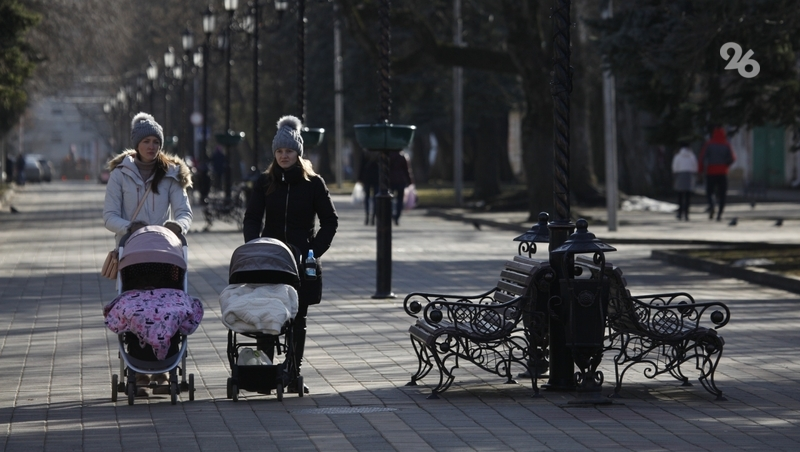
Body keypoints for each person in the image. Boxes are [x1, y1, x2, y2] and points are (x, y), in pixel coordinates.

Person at [242, 115, 338, 394]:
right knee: (267, 315)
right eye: (280, 151)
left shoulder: (313, 183)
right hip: (269, 258)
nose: (284, 156)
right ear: (274, 154)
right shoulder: (264, 182)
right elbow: (251, 218)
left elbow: (330, 221)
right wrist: (254, 246)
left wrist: (312, 251)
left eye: (289, 151)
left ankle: (293, 370)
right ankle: (266, 371)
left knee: (298, 317)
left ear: (298, 153)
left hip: (301, 260)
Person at [103, 112, 193, 396]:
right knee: (135, 305)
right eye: (146, 141)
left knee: (168, 304)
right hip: (132, 252)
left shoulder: (171, 174)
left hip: (165, 252)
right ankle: (139, 372)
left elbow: (184, 211)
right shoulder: (120, 175)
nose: (152, 146)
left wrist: (178, 226)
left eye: (156, 141)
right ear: (137, 143)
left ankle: (165, 371)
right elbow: (109, 216)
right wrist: (129, 227)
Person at [698, 126, 736, 221]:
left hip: (711, 171)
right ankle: (719, 214)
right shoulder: (726, 145)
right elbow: (732, 158)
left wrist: (701, 170)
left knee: (709, 191)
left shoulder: (709, 144)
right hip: (723, 172)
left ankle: (711, 205)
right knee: (722, 194)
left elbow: (702, 158)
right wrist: (726, 165)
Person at [671, 142, 698, 221]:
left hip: (680, 175)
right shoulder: (692, 156)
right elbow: (695, 167)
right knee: (688, 196)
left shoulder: (677, 156)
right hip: (689, 175)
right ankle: (686, 214)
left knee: (680, 195)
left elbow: (674, 167)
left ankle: (680, 213)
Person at [389, 150, 413, 226]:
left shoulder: (389, 157)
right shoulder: (403, 157)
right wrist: (410, 181)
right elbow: (407, 170)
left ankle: (391, 213)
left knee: (390, 199)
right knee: (400, 200)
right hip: (401, 180)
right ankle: (397, 216)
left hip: (391, 180)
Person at [357, 151, 379, 225]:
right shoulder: (379, 151)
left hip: (367, 177)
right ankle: (373, 216)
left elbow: (362, 165)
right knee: (375, 198)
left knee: (367, 197)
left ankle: (367, 215)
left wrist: (360, 178)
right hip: (377, 177)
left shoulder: (366, 152)